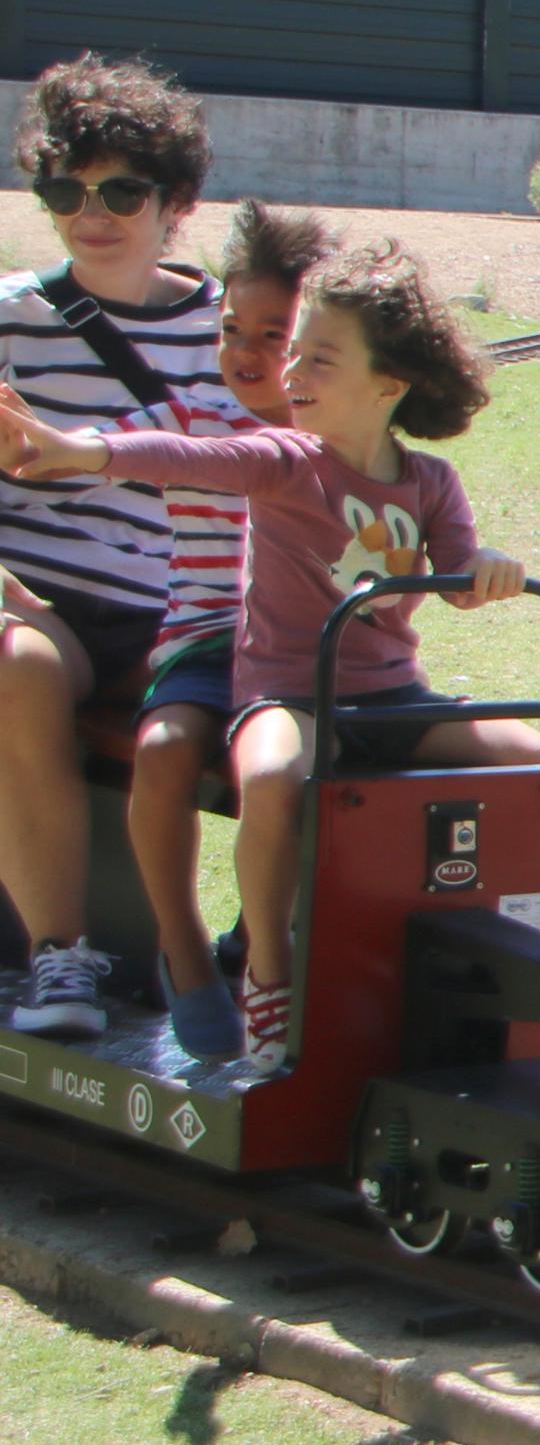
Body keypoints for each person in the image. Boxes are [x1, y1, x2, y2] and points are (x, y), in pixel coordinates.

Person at [0, 241, 540, 1079]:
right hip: (288, 692)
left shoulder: (431, 483)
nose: (291, 370)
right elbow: (187, 457)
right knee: (273, 774)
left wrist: (492, 572)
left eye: (315, 356)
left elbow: (460, 581)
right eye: (294, 352)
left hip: (390, 694)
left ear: (388, 385)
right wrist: (79, 450)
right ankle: (266, 970)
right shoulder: (286, 461)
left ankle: (537, 966)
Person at [0, 57, 229, 1041]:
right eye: (66, 191)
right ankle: (60, 958)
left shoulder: (234, 330)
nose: (91, 214)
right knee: (18, 669)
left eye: (120, 191)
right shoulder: (13, 315)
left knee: (313, 712)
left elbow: (271, 469)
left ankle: (259, 963)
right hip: (32, 595)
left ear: (175, 201)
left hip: (169, 605)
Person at [130, 201, 329, 1055]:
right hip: (210, 641)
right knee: (167, 747)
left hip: (301, 656)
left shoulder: (336, 433)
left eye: (273, 334)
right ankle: (182, 950)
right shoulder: (191, 417)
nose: (247, 353)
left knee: (289, 772)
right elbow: (101, 445)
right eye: (230, 328)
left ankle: (259, 941)